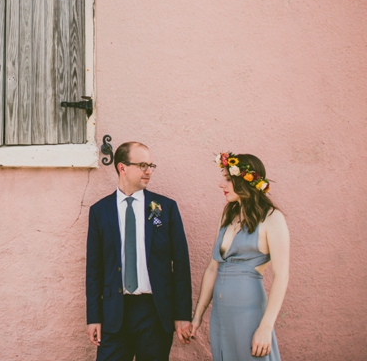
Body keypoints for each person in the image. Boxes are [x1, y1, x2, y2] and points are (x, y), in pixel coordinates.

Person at [86, 142, 192, 361]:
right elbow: (94, 269)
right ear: (122, 167)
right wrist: (93, 317)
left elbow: (181, 264)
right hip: (115, 313)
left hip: (154, 312)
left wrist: (182, 315)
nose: (149, 170)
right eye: (143, 165)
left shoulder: (165, 207)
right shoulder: (100, 211)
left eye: (151, 165)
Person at [190, 152, 290, 360]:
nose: (221, 184)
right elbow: (212, 268)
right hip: (220, 316)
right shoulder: (228, 214)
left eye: (227, 179)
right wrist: (198, 315)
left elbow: (282, 276)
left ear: (244, 180)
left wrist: (265, 327)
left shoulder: (272, 218)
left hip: (249, 314)